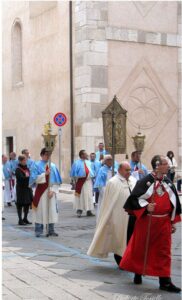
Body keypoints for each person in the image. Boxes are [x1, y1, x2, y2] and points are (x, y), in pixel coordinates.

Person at [120, 155, 181, 293]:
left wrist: (172, 222)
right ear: (158, 166)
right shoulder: (144, 182)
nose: (169, 166)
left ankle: (165, 281)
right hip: (147, 222)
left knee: (164, 252)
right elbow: (134, 200)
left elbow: (174, 203)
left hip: (164, 222)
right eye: (166, 164)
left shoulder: (168, 182)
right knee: (141, 248)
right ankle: (138, 272)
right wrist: (146, 207)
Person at [87, 162, 136, 266]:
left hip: (132, 216)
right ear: (120, 170)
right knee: (119, 239)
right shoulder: (113, 182)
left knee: (130, 238)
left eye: (129, 170)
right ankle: (120, 260)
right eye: (126, 170)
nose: (129, 172)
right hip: (118, 216)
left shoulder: (133, 180)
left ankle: (129, 259)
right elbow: (108, 202)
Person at [29, 148, 62, 237]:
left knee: (51, 211)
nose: (48, 156)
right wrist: (45, 174)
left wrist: (53, 191)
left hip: (50, 192)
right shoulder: (36, 165)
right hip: (41, 192)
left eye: (49, 155)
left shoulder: (53, 166)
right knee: (40, 211)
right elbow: (33, 179)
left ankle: (51, 230)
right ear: (42, 155)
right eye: (46, 155)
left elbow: (57, 181)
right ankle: (38, 230)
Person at [70, 150, 95, 218]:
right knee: (81, 196)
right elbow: (73, 174)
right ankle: (79, 210)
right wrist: (74, 182)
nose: (87, 154)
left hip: (88, 182)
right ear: (81, 155)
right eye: (85, 154)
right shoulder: (76, 163)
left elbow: (92, 172)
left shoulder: (89, 162)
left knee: (89, 196)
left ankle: (89, 210)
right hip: (81, 183)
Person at [94, 155, 113, 220]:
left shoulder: (113, 169)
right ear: (105, 161)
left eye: (111, 160)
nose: (111, 161)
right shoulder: (101, 170)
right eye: (109, 160)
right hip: (105, 192)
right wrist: (106, 194)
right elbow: (100, 185)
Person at [15, 155, 33, 225]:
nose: (26, 161)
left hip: (27, 188)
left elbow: (29, 175)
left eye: (26, 160)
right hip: (21, 189)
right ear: (20, 161)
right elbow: (21, 179)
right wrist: (29, 178)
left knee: (27, 203)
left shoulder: (27, 168)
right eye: (24, 160)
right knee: (20, 204)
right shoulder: (18, 169)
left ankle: (25, 218)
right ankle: (20, 219)